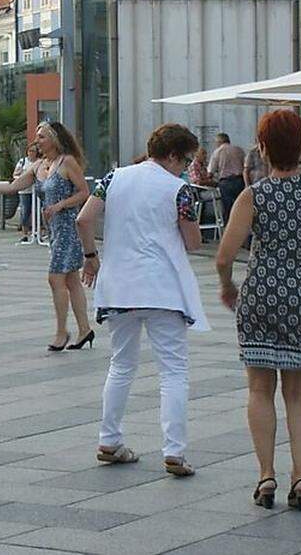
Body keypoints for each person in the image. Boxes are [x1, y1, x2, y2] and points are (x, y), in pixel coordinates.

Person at [215, 109, 301, 512]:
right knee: (297, 392)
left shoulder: (253, 195)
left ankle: (266, 475)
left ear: (262, 148)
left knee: (259, 389)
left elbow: (223, 256)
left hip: (260, 297)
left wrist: (228, 286)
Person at [76, 124, 208, 478]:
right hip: (163, 288)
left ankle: (109, 439)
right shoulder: (179, 189)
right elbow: (193, 242)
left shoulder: (113, 178)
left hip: (119, 287)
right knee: (173, 371)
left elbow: (84, 218)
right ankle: (175, 452)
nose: (186, 167)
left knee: (121, 365)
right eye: (186, 159)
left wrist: (91, 256)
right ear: (173, 155)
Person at [0, 122, 94, 351]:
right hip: (53, 230)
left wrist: (61, 204)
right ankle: (85, 330)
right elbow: (13, 186)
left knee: (55, 278)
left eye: (42, 136)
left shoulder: (67, 162)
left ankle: (62, 331)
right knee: (71, 279)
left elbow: (84, 192)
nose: (37, 141)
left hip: (67, 227)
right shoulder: (38, 166)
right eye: (37, 137)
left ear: (55, 139)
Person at [208, 132, 246, 221]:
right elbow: (245, 166)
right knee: (240, 205)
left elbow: (210, 172)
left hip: (225, 183)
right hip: (239, 180)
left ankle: (229, 228)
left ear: (219, 142)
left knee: (227, 207)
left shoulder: (217, 152)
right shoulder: (239, 150)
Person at [15, 143, 41, 243]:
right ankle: (24, 233)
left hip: (36, 190)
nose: (31, 153)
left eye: (33, 151)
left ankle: (38, 232)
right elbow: (15, 174)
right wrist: (21, 173)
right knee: (25, 211)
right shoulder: (22, 162)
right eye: (29, 151)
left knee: (37, 211)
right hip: (25, 190)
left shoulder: (39, 162)